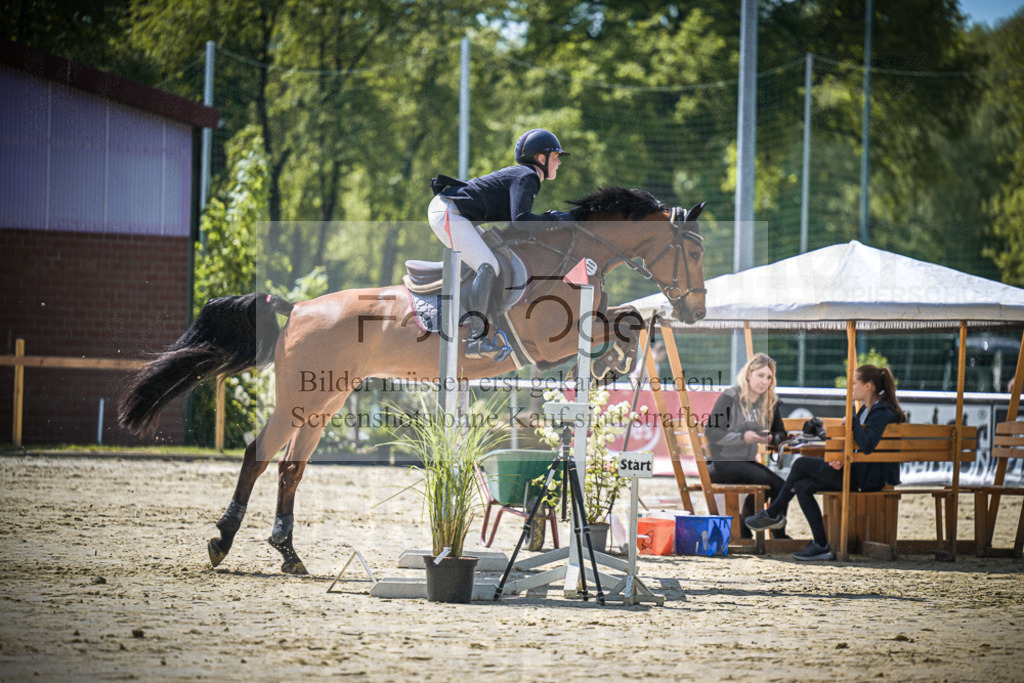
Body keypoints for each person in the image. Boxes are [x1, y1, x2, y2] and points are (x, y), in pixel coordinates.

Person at [428, 129, 574, 361]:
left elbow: (517, 225)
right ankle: (476, 339)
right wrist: (557, 220)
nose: (559, 162)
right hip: (448, 212)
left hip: (457, 213)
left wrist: (553, 219)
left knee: (491, 260)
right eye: (555, 156)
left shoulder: (525, 175)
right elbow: (522, 220)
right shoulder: (528, 177)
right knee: (488, 266)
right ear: (541, 158)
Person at [745, 364, 907, 561]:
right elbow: (862, 448)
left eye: (854, 383)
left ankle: (773, 513)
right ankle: (821, 545)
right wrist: (843, 459)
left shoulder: (882, 412)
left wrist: (852, 422)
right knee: (802, 485)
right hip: (859, 473)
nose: (851, 388)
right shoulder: (869, 409)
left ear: (868, 386)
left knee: (800, 464)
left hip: (868, 479)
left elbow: (867, 446)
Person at [704, 353, 790, 539]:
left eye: (769, 377)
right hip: (721, 463)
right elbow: (711, 432)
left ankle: (751, 523)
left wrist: (771, 438)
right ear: (749, 374)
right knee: (779, 485)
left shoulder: (770, 402)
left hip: (746, 463)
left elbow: (781, 434)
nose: (764, 381)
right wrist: (743, 437)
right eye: (760, 376)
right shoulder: (730, 397)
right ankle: (774, 532)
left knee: (782, 486)